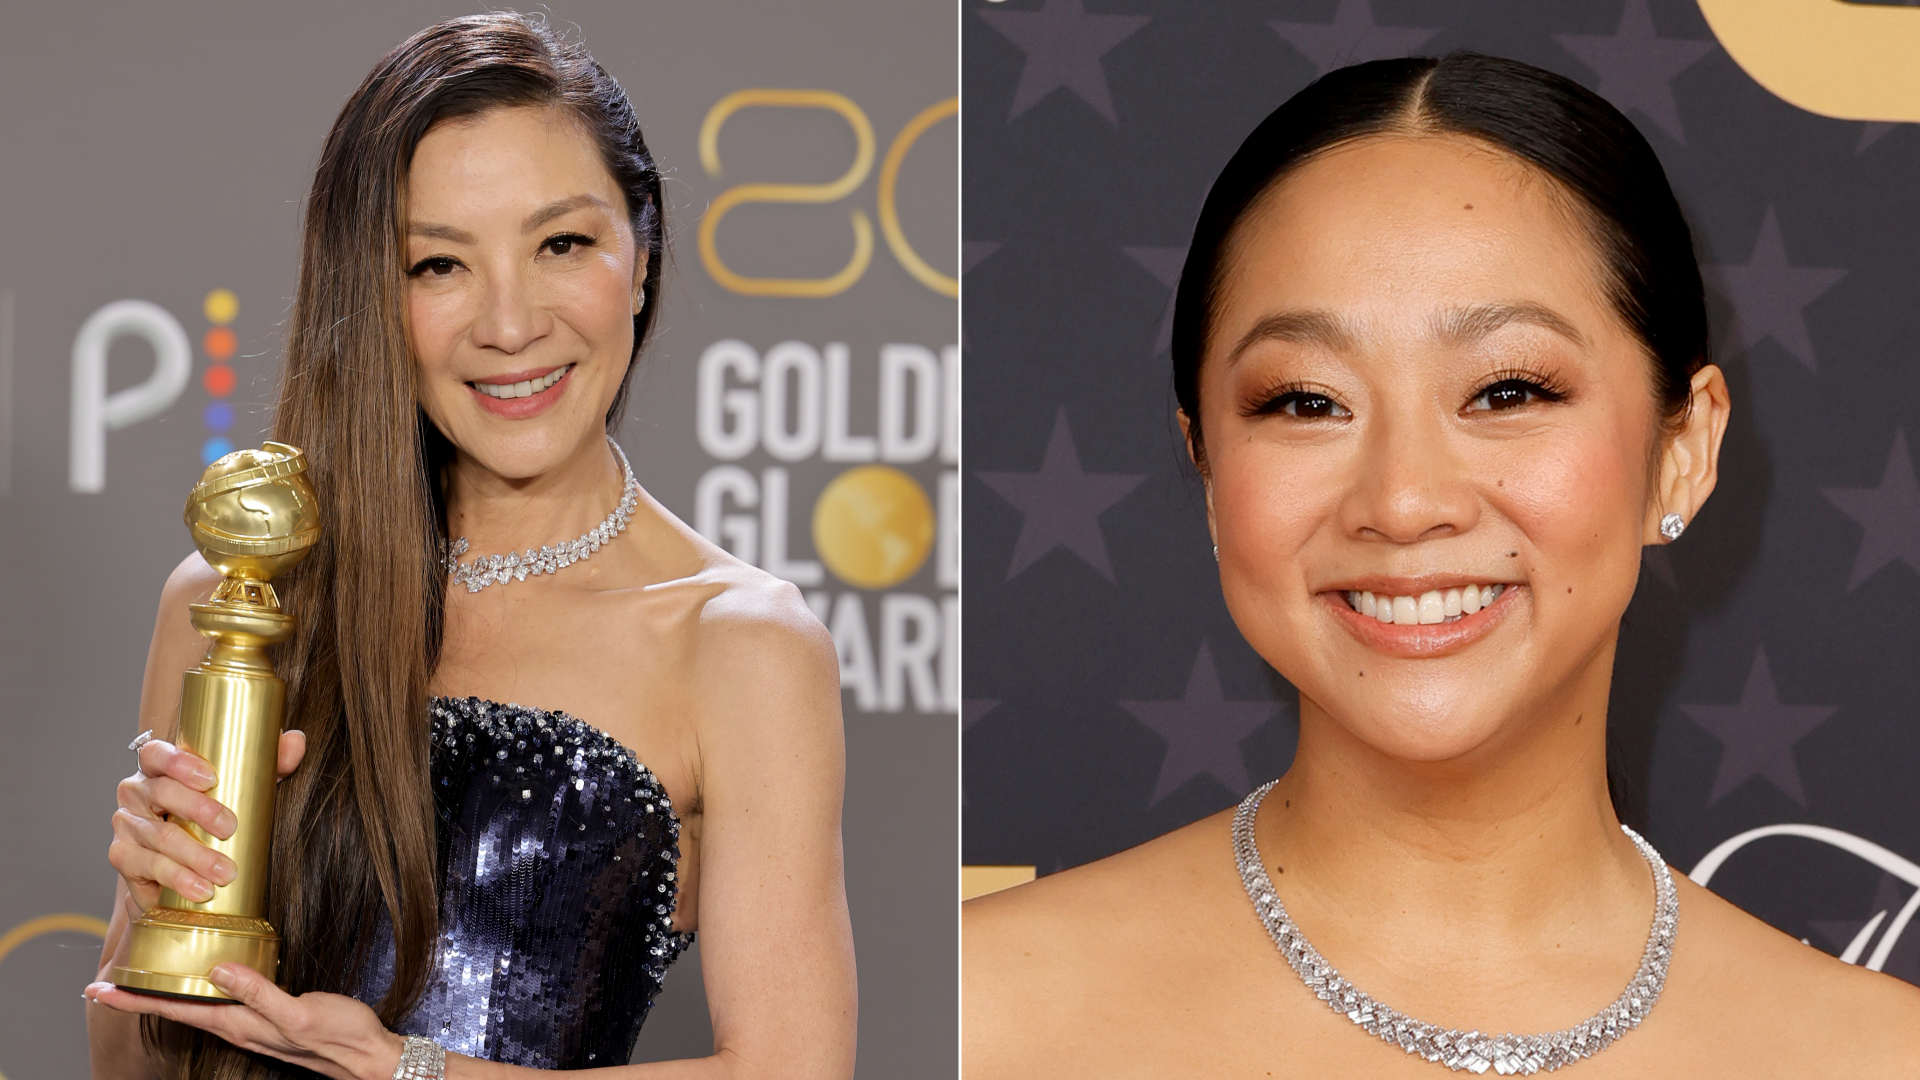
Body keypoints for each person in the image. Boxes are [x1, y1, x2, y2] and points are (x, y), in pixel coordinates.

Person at [963, 54, 1920, 1076]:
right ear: (1205, 463)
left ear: (1682, 453)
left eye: (1507, 391)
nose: (1405, 501)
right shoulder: (964, 1019)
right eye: (1304, 401)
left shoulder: (1875, 1053)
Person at [82, 13, 856, 1079]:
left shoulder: (735, 642)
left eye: (562, 244)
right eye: (439, 265)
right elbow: (133, 1067)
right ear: (375, 297)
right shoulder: (238, 601)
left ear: (641, 256)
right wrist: (149, 905)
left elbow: (788, 1072)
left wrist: (413, 1071)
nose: (509, 322)